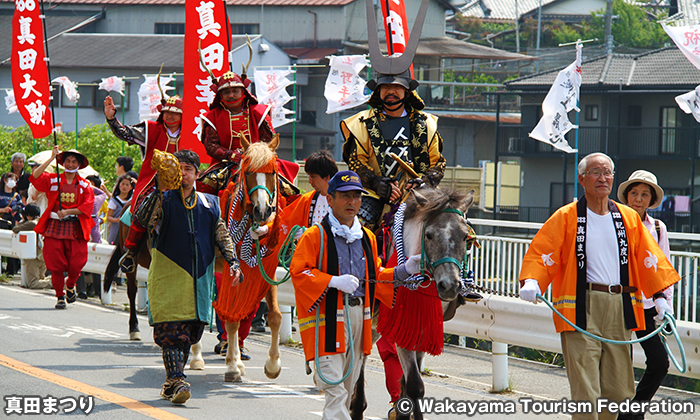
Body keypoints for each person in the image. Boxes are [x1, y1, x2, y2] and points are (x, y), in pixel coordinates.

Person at [518, 152, 679, 420]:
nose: (602, 178)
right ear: (582, 179)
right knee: (586, 392)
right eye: (595, 172)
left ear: (613, 178)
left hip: (620, 306)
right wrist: (533, 279)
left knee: (619, 392)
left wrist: (661, 297)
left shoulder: (628, 218)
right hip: (580, 305)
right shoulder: (566, 216)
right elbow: (543, 250)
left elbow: (650, 259)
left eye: (607, 172)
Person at [290, 170, 420, 420]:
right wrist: (332, 281)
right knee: (335, 387)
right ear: (330, 199)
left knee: (348, 389)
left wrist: (405, 270)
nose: (352, 202)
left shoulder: (367, 238)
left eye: (357, 197)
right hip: (326, 319)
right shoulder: (314, 236)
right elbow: (299, 273)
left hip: (360, 317)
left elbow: (377, 276)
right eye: (345, 196)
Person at [145, 149, 240, 404]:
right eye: (180, 168)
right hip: (168, 278)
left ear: (198, 174)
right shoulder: (162, 199)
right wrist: (158, 185)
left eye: (188, 169)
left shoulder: (210, 204)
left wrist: (233, 261)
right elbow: (143, 218)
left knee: (188, 336)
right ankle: (178, 380)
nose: (183, 173)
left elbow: (222, 234)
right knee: (171, 333)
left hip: (199, 282)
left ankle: (170, 384)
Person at [341, 70, 446, 231]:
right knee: (355, 228)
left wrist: (424, 183)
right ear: (378, 90)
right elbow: (356, 163)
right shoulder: (361, 123)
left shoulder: (426, 124)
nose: (391, 91)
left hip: (421, 195)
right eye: (385, 87)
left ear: (406, 90)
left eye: (396, 86)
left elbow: (437, 163)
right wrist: (377, 183)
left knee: (456, 225)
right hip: (375, 195)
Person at [105, 94, 183, 273]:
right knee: (143, 208)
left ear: (182, 115)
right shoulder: (151, 129)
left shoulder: (193, 132)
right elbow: (126, 134)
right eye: (166, 112)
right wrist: (111, 119)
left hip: (184, 183)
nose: (170, 116)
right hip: (153, 183)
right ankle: (131, 251)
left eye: (175, 113)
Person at [618, 170, 674, 416]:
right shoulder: (614, 223)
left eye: (644, 195)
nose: (638, 199)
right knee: (618, 364)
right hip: (618, 302)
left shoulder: (659, 229)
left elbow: (664, 267)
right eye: (634, 193)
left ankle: (634, 410)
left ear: (651, 200)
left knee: (660, 362)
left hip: (648, 304)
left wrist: (666, 306)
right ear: (626, 196)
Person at [30, 146, 94, 310]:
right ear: (63, 162)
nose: (71, 164)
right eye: (68, 161)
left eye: (74, 161)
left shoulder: (85, 185)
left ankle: (71, 284)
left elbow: (87, 207)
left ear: (79, 165)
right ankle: (59, 296)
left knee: (77, 263)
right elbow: (35, 177)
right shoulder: (53, 180)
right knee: (55, 264)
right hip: (54, 226)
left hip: (75, 227)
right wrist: (51, 158)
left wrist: (68, 211)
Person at [12, 204, 50, 289]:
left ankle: (59, 282)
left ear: (29, 215)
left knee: (33, 283)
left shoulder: (32, 223)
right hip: (43, 255)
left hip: (34, 256)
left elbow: (15, 229)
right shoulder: (43, 221)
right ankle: (58, 280)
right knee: (41, 279)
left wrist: (23, 220)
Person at [1, 172, 23, 275]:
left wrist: (17, 210)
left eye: (15, 180)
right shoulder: (1, 194)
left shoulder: (16, 196)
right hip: (1, 221)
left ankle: (11, 270)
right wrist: (3, 210)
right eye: (11, 179)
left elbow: (21, 208)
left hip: (12, 223)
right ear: (5, 180)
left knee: (11, 246)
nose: (13, 182)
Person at [106, 174, 134, 245]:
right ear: (119, 185)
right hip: (115, 231)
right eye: (123, 184)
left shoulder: (132, 201)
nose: (124, 186)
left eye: (127, 185)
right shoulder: (114, 200)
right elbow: (108, 217)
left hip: (127, 231)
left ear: (131, 187)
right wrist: (117, 220)